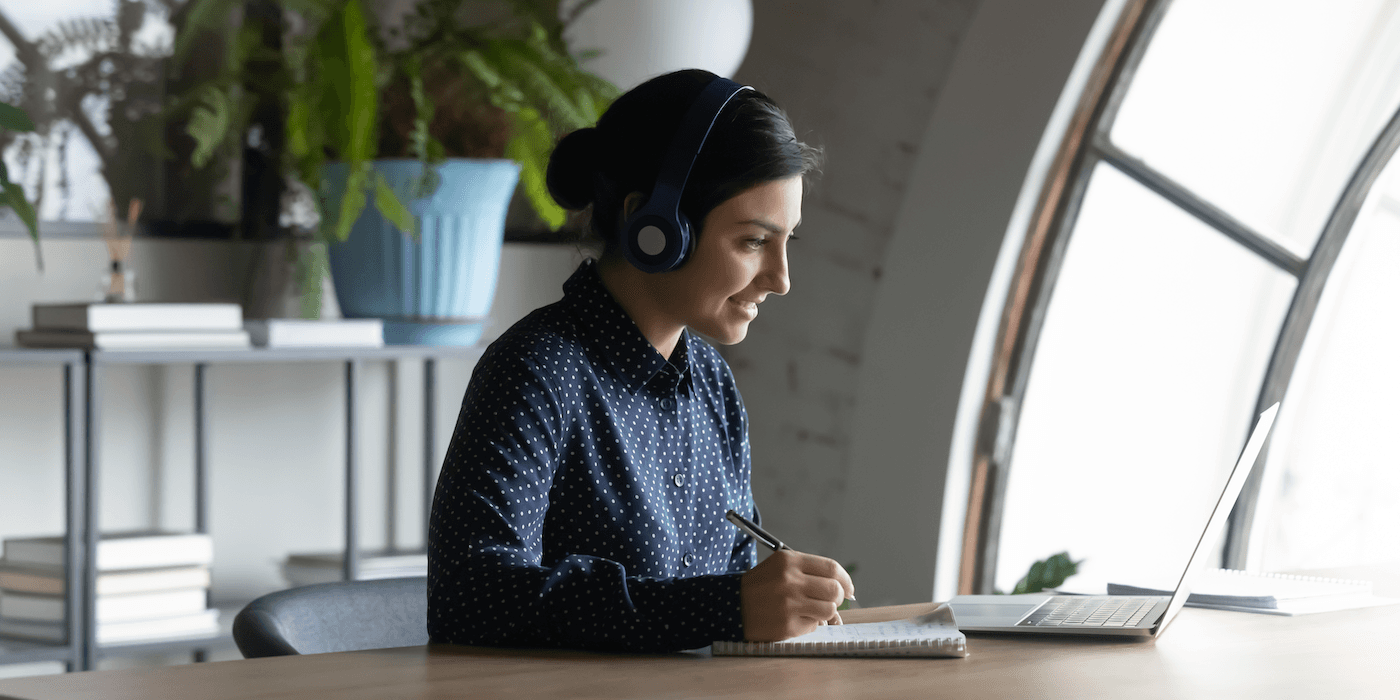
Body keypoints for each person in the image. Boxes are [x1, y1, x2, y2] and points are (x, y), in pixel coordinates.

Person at [427, 69, 854, 653]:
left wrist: (772, 609)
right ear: (651, 226)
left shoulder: (713, 384)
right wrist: (725, 607)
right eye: (754, 241)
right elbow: (472, 597)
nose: (781, 280)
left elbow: (733, 610)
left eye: (787, 242)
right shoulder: (536, 371)